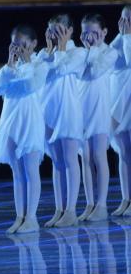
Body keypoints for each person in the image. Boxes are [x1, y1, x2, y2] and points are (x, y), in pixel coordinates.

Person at [0, 25, 48, 234]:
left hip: (30, 121)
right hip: (11, 121)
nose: (19, 49)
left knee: (30, 169)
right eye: (15, 45)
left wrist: (26, 65)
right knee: (17, 172)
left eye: (23, 44)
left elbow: (31, 85)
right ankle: (20, 216)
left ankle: (31, 217)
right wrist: (9, 65)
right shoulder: (10, 69)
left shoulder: (40, 65)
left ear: (33, 44)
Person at [37, 14, 87, 228]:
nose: (55, 35)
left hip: (68, 112)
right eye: (52, 31)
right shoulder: (44, 54)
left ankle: (71, 211)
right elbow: (38, 75)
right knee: (57, 163)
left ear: (69, 31)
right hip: (49, 112)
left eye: (59, 30)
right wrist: (50, 50)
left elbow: (62, 68)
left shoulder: (78, 53)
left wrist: (63, 46)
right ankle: (60, 209)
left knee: (69, 159)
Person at [77, 13, 118, 222]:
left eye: (94, 33)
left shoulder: (110, 53)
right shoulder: (81, 54)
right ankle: (90, 203)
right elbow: (79, 75)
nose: (89, 37)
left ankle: (101, 204)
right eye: (85, 33)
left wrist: (92, 49)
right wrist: (87, 50)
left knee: (98, 155)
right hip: (82, 110)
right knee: (85, 157)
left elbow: (94, 72)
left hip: (100, 110)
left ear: (104, 32)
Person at [112, 6, 131, 216]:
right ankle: (126, 199)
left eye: (130, 20)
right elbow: (111, 55)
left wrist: (126, 37)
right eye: (124, 19)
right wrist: (121, 34)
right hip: (121, 101)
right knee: (124, 153)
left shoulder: (128, 40)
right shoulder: (122, 38)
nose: (126, 24)